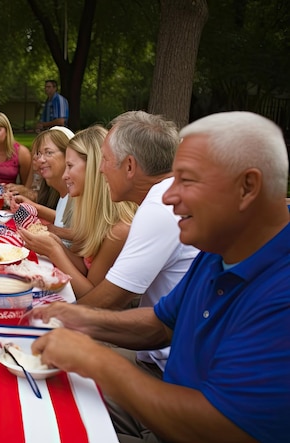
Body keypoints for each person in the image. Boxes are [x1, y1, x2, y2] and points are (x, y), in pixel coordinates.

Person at [31, 111, 290, 443]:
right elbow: (160, 324)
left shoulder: (280, 293)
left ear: (247, 187)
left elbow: (216, 428)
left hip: (182, 423)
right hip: (162, 388)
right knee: (42, 393)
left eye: (186, 180)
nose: (168, 196)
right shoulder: (219, 247)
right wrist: (77, 318)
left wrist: (97, 361)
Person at [31, 111, 199, 374]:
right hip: (156, 350)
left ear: (129, 166)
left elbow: (108, 300)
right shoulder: (161, 198)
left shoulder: (159, 207)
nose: (100, 169)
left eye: (106, 160)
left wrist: (45, 319)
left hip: (165, 366)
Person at [19, 126, 137, 298]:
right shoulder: (94, 215)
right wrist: (54, 242)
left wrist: (54, 251)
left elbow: (90, 295)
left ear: (93, 168)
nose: (65, 175)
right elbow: (83, 266)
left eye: (70, 166)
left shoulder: (118, 230)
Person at [10, 127, 74, 239]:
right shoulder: (63, 194)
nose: (39, 160)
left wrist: (51, 230)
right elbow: (62, 219)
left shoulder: (77, 194)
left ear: (68, 155)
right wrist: (33, 206)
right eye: (39, 154)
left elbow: (84, 237)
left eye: (49, 153)